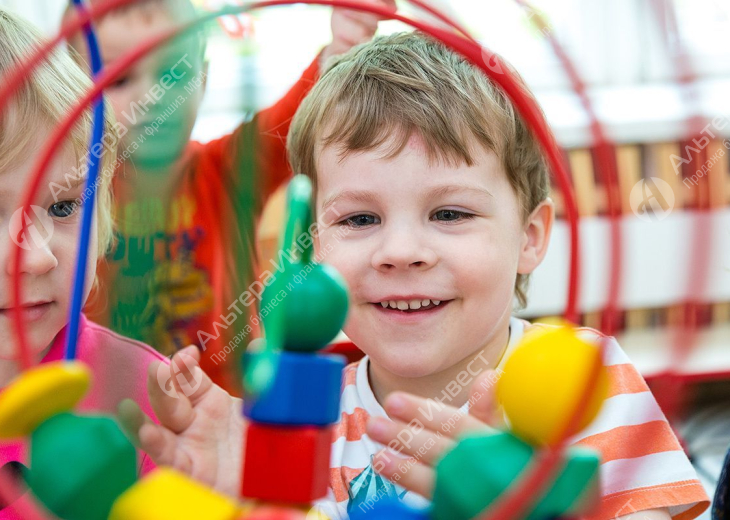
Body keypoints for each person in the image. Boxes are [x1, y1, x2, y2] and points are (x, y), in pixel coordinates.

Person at [122, 32, 710, 519]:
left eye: (449, 213)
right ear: (316, 247)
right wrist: (252, 501)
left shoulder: (587, 384)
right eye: (359, 218)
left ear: (530, 236)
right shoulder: (310, 419)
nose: (400, 252)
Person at [63, 0, 394, 390]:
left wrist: (342, 45)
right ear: (74, 94)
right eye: (119, 80)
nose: (152, 99)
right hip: (108, 411)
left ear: (201, 80)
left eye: (173, 74)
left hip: (227, 405)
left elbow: (287, 124)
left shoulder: (227, 170)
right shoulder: (69, 191)